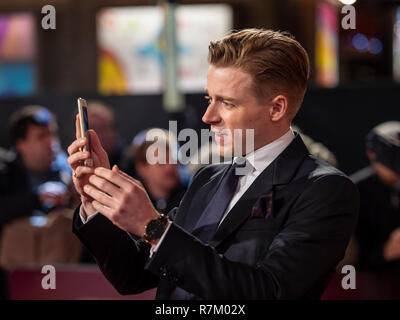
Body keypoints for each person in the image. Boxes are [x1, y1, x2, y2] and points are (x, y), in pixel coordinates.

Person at [69, 29, 359, 299]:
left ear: (276, 108)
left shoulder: (325, 190)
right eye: (210, 98)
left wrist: (153, 225)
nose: (209, 116)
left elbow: (269, 291)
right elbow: (132, 275)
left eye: (228, 103)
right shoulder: (208, 178)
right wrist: (94, 200)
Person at [352, 121, 400, 271]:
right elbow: (345, 262)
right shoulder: (353, 191)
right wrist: (384, 253)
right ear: (370, 153)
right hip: (367, 282)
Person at [132, 129, 187, 215]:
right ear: (141, 168)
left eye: (173, 160)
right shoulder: (132, 204)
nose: (170, 167)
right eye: (161, 162)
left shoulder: (190, 198)